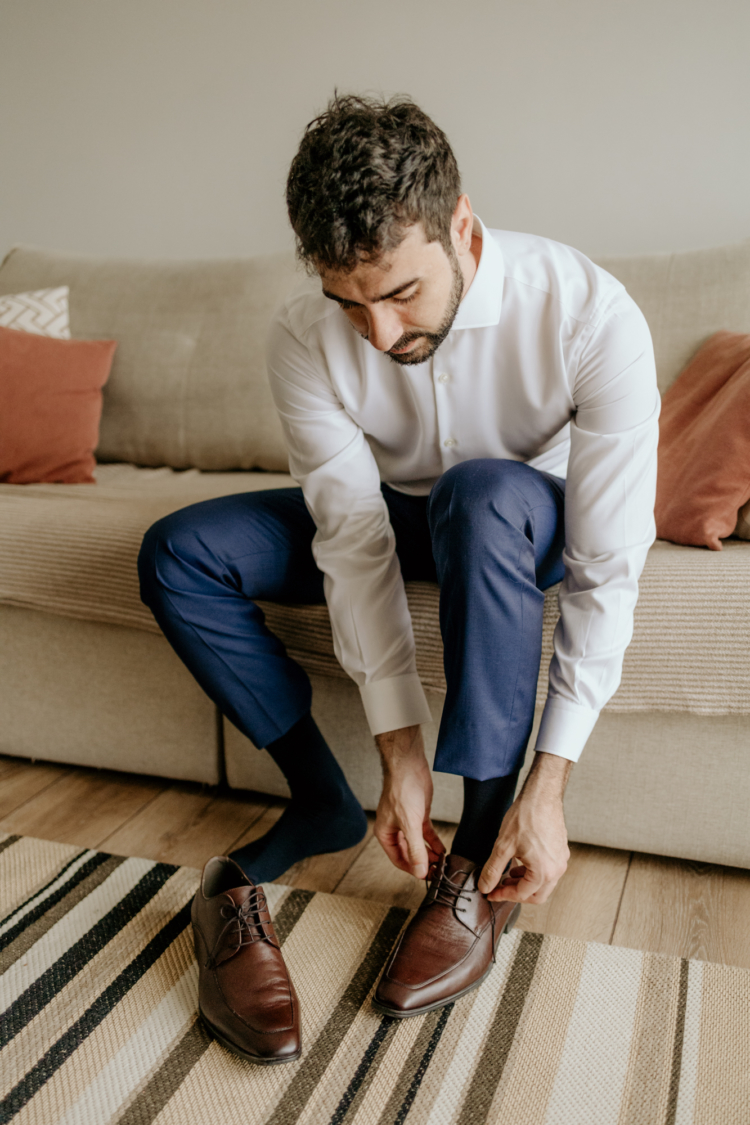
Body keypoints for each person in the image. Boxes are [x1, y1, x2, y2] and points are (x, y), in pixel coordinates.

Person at [139, 93, 659, 1054]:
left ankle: (480, 855)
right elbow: (351, 534)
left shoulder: (589, 313)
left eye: (401, 293)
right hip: (393, 510)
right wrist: (398, 749)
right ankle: (319, 796)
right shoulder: (305, 339)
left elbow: (608, 563)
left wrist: (553, 785)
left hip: (512, 519)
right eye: (350, 301)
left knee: (484, 492)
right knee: (176, 550)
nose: (376, 333)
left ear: (461, 226)